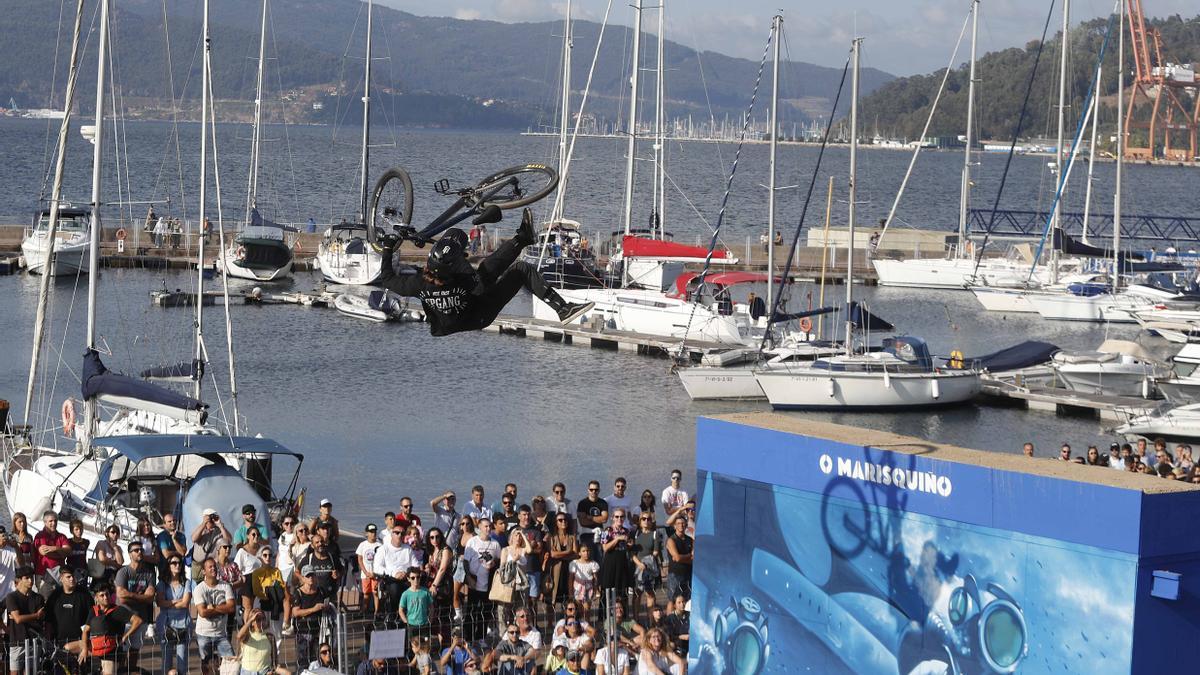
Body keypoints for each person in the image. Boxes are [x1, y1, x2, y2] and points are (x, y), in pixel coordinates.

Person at [375, 211, 594, 336]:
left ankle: (522, 238)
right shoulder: (462, 280)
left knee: (486, 275)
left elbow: (387, 279)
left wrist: (387, 249)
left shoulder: (419, 283)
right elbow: (485, 269)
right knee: (517, 270)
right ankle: (563, 309)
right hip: (479, 315)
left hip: (445, 325)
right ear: (453, 266)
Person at [82, 582, 143, 675]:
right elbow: (85, 631)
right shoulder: (93, 611)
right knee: (67, 649)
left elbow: (138, 621)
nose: (106, 597)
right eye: (102, 595)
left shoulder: (118, 610)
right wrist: (84, 649)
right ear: (96, 598)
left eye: (107, 594)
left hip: (111, 650)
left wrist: (125, 636)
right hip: (95, 645)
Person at [115, 538, 157, 672]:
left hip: (141, 617)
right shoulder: (123, 572)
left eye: (141, 550)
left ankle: (131, 672)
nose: (140, 552)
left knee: (135, 650)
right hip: (125, 618)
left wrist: (131, 595)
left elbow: (150, 598)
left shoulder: (149, 573)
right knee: (122, 650)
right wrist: (141, 597)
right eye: (136, 550)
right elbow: (121, 597)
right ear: (130, 554)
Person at [462, 518, 501, 642]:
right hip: (474, 581)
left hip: (488, 582)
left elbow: (500, 560)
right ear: (479, 528)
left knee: (486, 611)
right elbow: (466, 561)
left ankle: (481, 637)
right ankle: (468, 637)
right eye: (485, 526)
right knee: (471, 610)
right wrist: (468, 577)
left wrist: (494, 564)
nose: (488, 529)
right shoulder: (472, 542)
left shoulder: (495, 544)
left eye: (489, 526)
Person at [374, 523, 421, 622]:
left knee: (417, 587)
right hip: (390, 578)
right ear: (392, 534)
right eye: (397, 533)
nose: (399, 535)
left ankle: (414, 615)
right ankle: (396, 614)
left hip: (406, 577)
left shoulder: (407, 549)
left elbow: (416, 565)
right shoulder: (383, 549)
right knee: (395, 589)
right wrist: (393, 573)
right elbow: (377, 567)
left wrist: (406, 573)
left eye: (402, 533)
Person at [246, 546, 290, 646]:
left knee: (276, 632)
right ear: (260, 557)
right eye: (265, 555)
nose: (268, 557)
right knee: (260, 629)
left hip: (275, 603)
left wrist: (271, 591)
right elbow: (257, 590)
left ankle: (276, 658)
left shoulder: (277, 571)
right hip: (261, 602)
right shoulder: (256, 573)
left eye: (270, 555)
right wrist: (269, 592)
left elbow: (281, 587)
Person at [6, 566, 45, 674]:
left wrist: (20, 617)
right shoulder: (11, 597)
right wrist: (35, 615)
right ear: (19, 580)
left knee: (31, 672)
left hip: (34, 642)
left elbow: (19, 618)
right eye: (26, 578)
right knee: (14, 672)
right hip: (17, 642)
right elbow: (18, 619)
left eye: (31, 577)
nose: (30, 580)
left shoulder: (38, 598)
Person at [157, 554, 191, 674]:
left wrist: (169, 603)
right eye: (174, 563)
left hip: (183, 625)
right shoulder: (162, 583)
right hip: (166, 625)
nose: (178, 565)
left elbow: (185, 604)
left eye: (179, 563)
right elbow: (159, 602)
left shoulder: (186, 582)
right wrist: (177, 601)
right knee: (166, 663)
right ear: (168, 566)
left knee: (182, 665)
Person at [46, 567, 92, 654]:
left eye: (73, 576)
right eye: (68, 577)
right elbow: (48, 620)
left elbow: (91, 617)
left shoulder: (84, 595)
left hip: (80, 642)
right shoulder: (54, 596)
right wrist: (49, 641)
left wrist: (86, 639)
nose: (72, 579)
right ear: (61, 578)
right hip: (59, 642)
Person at [291, 567, 330, 667]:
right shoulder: (298, 593)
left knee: (318, 660)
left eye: (312, 575)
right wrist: (314, 609)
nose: (310, 578)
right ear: (303, 578)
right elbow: (295, 612)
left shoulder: (321, 591)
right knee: (304, 660)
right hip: (303, 632)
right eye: (308, 576)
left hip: (319, 631)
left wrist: (327, 607)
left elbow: (328, 604)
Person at [237, 608, 288, 675]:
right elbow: (239, 636)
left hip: (264, 672)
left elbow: (274, 660)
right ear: (252, 623)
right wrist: (251, 619)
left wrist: (272, 671)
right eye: (258, 620)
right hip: (247, 672)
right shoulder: (247, 635)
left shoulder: (270, 637)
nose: (261, 622)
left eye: (263, 619)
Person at [598, 510, 634, 606]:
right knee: (607, 590)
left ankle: (623, 616)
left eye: (621, 517)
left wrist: (629, 544)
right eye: (617, 516)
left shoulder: (626, 531)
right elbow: (605, 548)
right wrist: (617, 539)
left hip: (622, 562)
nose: (619, 519)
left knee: (622, 590)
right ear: (612, 518)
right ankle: (605, 617)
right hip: (610, 562)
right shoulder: (607, 530)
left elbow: (627, 547)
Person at [192, 507, 233, 582]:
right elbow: (194, 538)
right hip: (198, 566)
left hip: (211, 566)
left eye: (213, 516)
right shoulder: (201, 529)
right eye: (210, 516)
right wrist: (204, 523)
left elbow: (228, 541)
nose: (212, 519)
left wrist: (220, 526)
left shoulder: (219, 530)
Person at [632, 510, 663, 609]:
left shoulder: (655, 534)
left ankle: (651, 622)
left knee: (650, 594)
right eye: (643, 519)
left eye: (648, 519)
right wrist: (639, 564)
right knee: (637, 594)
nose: (646, 521)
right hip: (637, 567)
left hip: (650, 567)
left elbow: (655, 552)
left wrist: (645, 565)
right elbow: (632, 553)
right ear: (640, 521)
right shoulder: (636, 534)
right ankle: (636, 620)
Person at [33, 509, 71, 589]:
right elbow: (44, 552)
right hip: (44, 574)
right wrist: (61, 554)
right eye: (50, 521)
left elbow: (68, 551)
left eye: (55, 521)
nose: (53, 523)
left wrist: (55, 548)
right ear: (45, 522)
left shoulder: (62, 536)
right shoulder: (40, 536)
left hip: (60, 575)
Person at [576, 481, 609, 561]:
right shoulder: (582, 503)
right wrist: (598, 519)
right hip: (586, 535)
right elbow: (582, 522)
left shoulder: (603, 503)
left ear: (599, 490)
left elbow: (604, 519)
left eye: (596, 490)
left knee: (600, 558)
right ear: (588, 490)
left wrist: (589, 517)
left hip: (600, 534)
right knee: (587, 558)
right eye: (591, 489)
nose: (594, 491)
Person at [399, 566, 434, 639]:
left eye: (418, 577)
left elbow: (431, 607)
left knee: (425, 647)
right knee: (412, 647)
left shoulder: (425, 592)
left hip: (424, 624)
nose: (416, 580)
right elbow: (401, 610)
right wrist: (406, 622)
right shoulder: (405, 594)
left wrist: (429, 620)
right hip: (411, 625)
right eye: (413, 578)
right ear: (408, 579)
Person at [664, 517, 693, 601]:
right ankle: (670, 615)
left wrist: (681, 558)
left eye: (683, 523)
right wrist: (688, 555)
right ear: (675, 526)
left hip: (688, 574)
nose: (681, 525)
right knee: (673, 601)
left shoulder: (690, 540)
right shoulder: (671, 540)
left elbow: (693, 557)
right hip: (675, 574)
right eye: (678, 523)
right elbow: (676, 558)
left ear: (686, 525)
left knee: (687, 599)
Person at [423, 527, 453, 607]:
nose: (435, 539)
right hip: (433, 580)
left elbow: (442, 569)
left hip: (444, 582)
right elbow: (432, 566)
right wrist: (428, 567)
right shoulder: (432, 550)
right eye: (432, 537)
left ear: (441, 537)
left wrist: (434, 585)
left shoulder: (445, 550)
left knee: (442, 609)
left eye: (437, 536)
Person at [356, 524, 382, 616]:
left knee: (375, 593)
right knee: (366, 593)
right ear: (367, 533)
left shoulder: (379, 545)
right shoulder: (362, 545)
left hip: (376, 574)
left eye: (374, 532)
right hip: (365, 574)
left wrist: (375, 573)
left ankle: (377, 611)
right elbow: (359, 559)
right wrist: (365, 572)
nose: (373, 534)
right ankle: (364, 610)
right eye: (371, 532)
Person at [568, 544, 599, 613]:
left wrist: (596, 590)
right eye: (583, 551)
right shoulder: (574, 563)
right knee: (578, 609)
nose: (586, 553)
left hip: (588, 588)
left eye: (587, 551)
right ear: (579, 553)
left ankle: (587, 623)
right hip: (577, 589)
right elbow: (571, 579)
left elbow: (595, 579)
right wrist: (570, 592)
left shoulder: (592, 564)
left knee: (586, 609)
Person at [157, 513, 188, 577]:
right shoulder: (161, 536)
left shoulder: (181, 536)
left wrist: (174, 540)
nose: (173, 522)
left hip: (179, 570)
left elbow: (182, 552)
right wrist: (177, 552)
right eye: (169, 521)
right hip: (165, 570)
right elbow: (166, 554)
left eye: (174, 520)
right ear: (164, 524)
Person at [65, 519, 90, 584]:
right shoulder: (68, 542)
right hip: (71, 570)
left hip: (83, 571)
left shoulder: (86, 542)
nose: (79, 531)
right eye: (76, 529)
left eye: (81, 529)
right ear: (72, 530)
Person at [0, 528, 21, 603]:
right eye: (2, 535)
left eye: (4, 535)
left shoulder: (11, 549)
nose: (4, 537)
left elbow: (21, 564)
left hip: (9, 592)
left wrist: (16, 546)